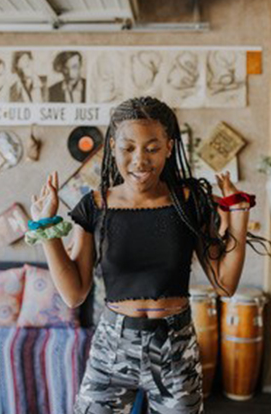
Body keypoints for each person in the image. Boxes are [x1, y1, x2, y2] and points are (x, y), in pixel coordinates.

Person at [27, 97, 267, 413]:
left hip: (175, 348)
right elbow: (74, 294)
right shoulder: (95, 206)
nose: (140, 160)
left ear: (169, 147)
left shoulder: (190, 202)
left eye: (152, 148)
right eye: (128, 148)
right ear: (112, 147)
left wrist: (238, 213)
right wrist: (46, 227)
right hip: (112, 348)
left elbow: (224, 285)